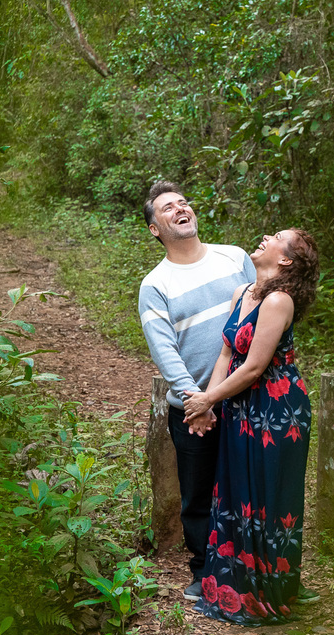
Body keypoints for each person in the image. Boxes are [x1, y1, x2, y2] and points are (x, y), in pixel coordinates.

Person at [182, 228, 321, 625]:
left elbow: (257, 366)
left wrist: (210, 399)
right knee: (236, 490)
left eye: (276, 236)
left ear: (286, 261)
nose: (264, 236)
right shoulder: (243, 293)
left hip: (276, 412)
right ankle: (234, 583)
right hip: (241, 407)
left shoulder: (279, 300)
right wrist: (205, 407)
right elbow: (226, 353)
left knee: (266, 495)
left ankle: (268, 589)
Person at [138, 181, 255, 602]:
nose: (180, 209)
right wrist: (196, 401)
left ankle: (255, 567)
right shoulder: (156, 284)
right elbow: (163, 349)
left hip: (247, 396)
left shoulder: (236, 257)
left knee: (248, 483)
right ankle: (204, 570)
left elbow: (263, 310)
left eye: (184, 202)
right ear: (156, 229)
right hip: (193, 410)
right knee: (199, 494)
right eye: (168, 208)